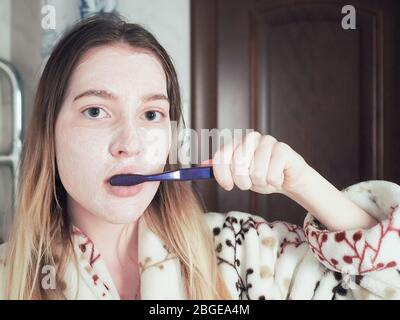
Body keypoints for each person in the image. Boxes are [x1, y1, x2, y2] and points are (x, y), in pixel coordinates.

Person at [0, 14, 399, 300]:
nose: (130, 143)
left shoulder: (241, 251)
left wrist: (303, 181)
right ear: (49, 132)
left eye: (152, 114)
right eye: (95, 111)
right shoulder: (7, 277)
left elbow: (385, 283)